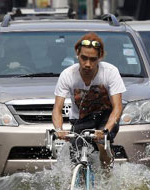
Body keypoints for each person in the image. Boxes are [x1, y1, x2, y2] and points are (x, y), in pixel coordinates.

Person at [52, 32, 126, 168]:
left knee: (101, 143)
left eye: (93, 59)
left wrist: (105, 131)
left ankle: (107, 176)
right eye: (84, 58)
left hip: (105, 117)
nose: (87, 64)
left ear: (100, 57)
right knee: (76, 157)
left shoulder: (110, 72)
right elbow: (57, 109)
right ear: (77, 54)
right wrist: (59, 129)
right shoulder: (67, 75)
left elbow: (117, 108)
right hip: (81, 119)